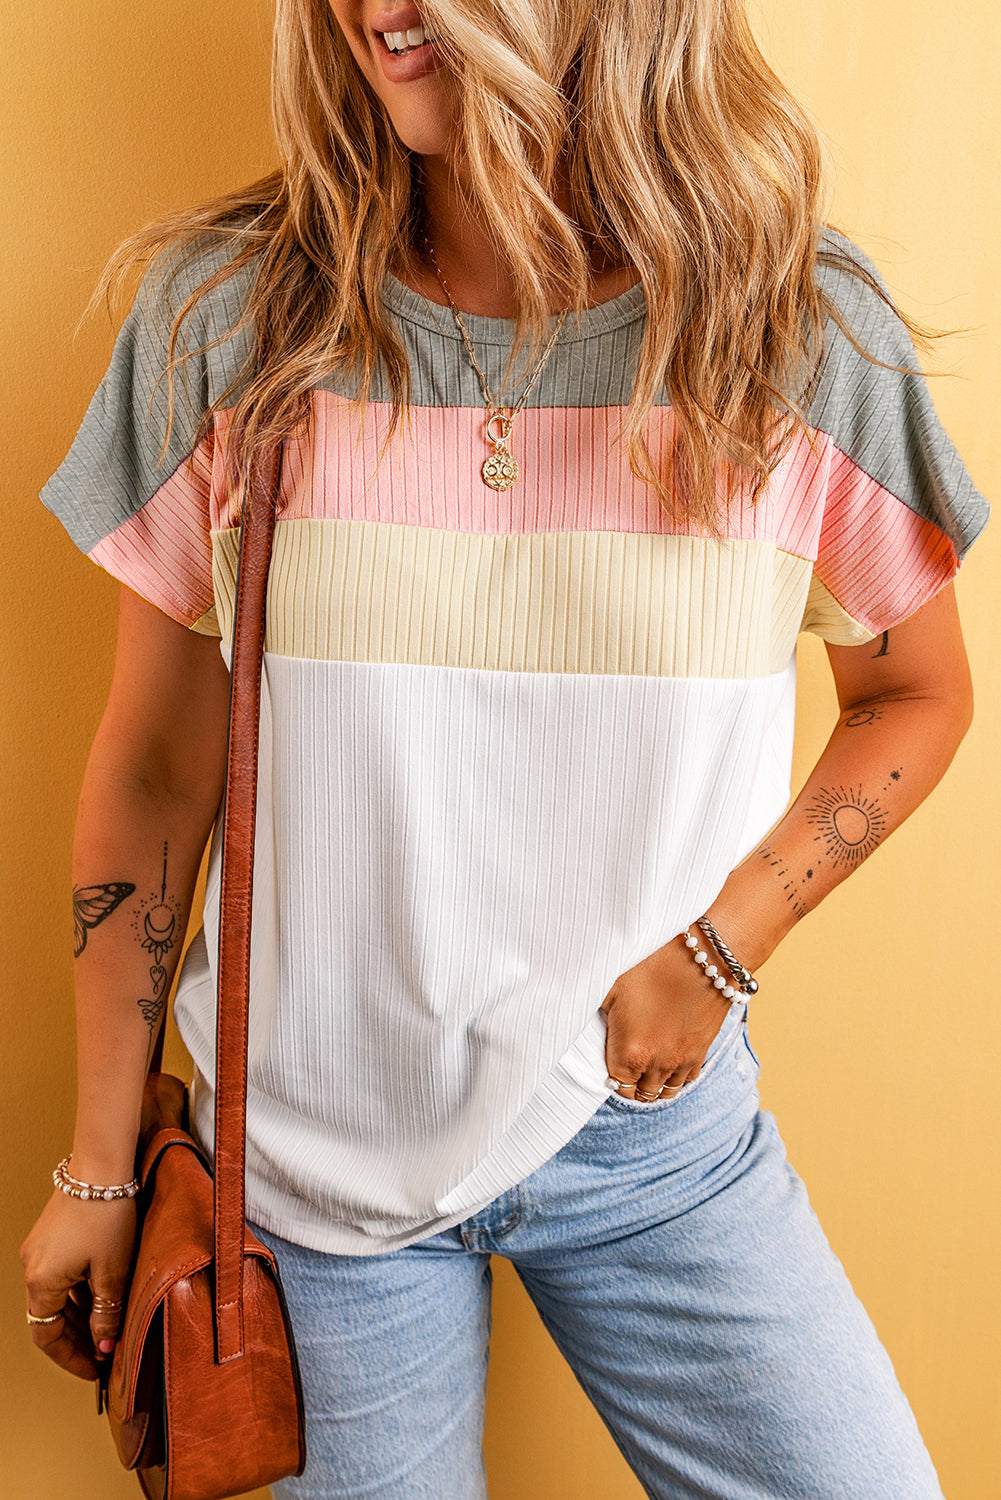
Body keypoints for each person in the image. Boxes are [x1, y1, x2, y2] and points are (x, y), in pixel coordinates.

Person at [20, 1, 990, 1495]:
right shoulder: (231, 316)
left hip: (649, 1137)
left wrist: (720, 950)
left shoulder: (792, 328)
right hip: (304, 1174)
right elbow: (156, 767)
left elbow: (914, 693)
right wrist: (99, 1165)